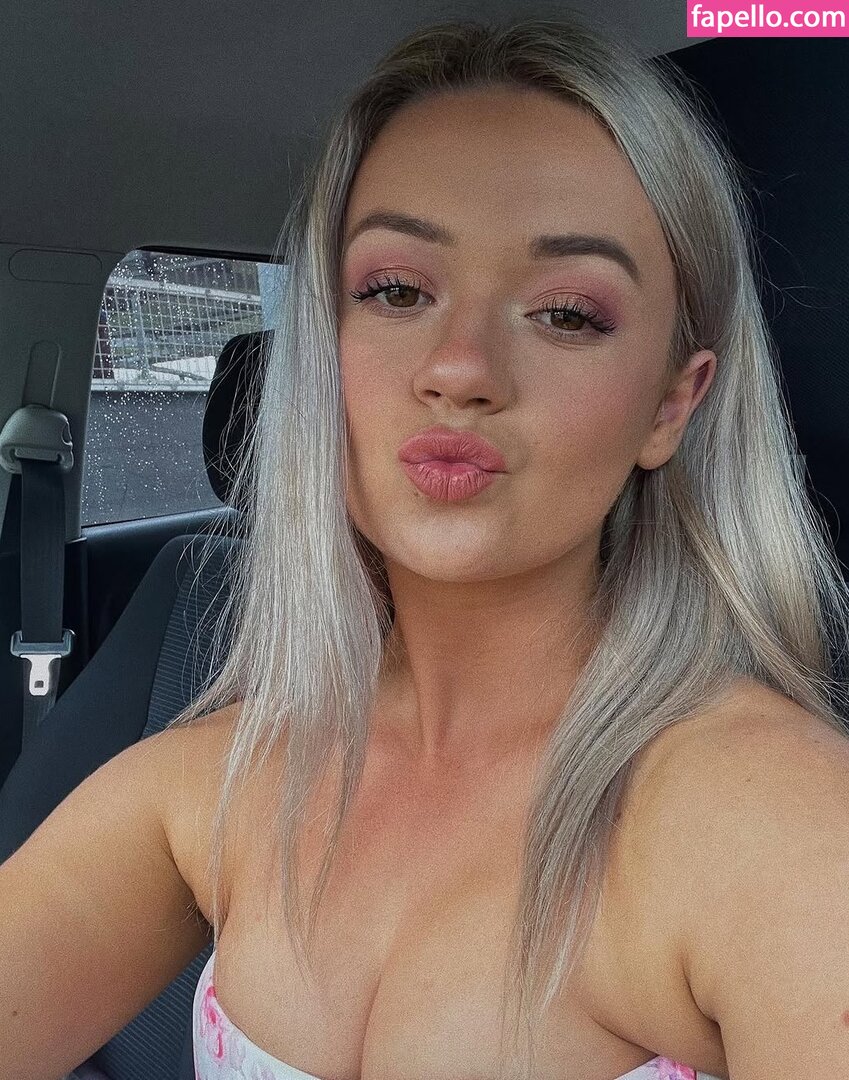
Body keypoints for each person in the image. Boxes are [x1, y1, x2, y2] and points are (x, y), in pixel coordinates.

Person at [4, 13, 849, 1080]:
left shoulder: (774, 823)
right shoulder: (223, 775)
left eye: (566, 313)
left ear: (670, 407)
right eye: (396, 292)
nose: (459, 368)